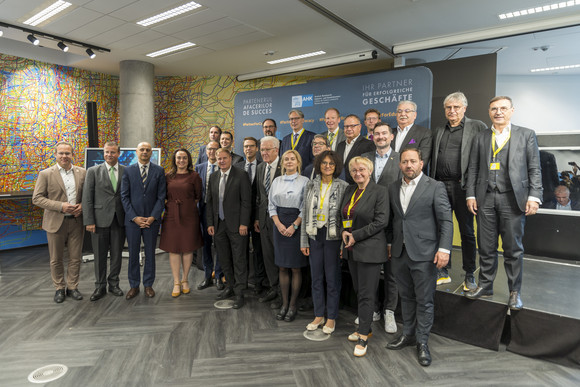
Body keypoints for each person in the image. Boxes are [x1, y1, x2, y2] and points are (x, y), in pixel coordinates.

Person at [465, 96, 543, 310]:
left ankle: (514, 292)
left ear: (512, 110)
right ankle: (485, 285)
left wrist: (534, 196)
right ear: (489, 112)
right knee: (486, 246)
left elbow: (534, 168)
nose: (498, 112)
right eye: (493, 109)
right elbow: (473, 168)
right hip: (485, 198)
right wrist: (470, 195)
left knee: (513, 249)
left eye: (502, 108)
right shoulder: (481, 137)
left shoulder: (526, 135)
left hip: (513, 198)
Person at [386, 148, 453, 367]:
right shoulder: (393, 187)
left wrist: (444, 249)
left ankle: (423, 342)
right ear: (400, 165)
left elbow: (446, 221)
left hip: (425, 254)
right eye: (405, 161)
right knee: (406, 297)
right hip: (399, 253)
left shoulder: (435, 187)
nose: (409, 165)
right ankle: (409, 334)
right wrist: (389, 244)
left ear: (421, 164)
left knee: (424, 300)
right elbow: (394, 220)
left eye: (413, 161)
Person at [430, 91, 487, 289]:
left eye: (456, 107)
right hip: (440, 186)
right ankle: (442, 269)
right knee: (440, 228)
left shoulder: (477, 126)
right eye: (448, 107)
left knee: (467, 231)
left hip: (464, 187)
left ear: (464, 108)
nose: (452, 111)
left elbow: (484, 157)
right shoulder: (439, 130)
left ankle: (470, 272)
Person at [341, 156, 389, 357]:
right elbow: (344, 215)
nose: (357, 173)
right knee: (359, 292)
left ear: (370, 171)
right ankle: (366, 328)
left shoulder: (380, 192)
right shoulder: (350, 189)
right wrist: (344, 232)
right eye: (354, 170)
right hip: (351, 249)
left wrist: (355, 235)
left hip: (370, 250)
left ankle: (362, 336)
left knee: (367, 295)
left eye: (362, 169)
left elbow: (381, 221)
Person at [300, 150, 348, 334]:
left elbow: (345, 217)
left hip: (333, 238)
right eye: (324, 163)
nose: (327, 166)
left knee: (332, 279)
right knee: (316, 278)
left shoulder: (343, 186)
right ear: (319, 165)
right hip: (314, 236)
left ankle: (331, 317)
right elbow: (305, 214)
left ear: (336, 167)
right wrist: (304, 241)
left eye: (331, 164)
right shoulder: (310, 185)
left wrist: (344, 244)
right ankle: (319, 314)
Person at [32, 141, 86, 303]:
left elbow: (87, 196)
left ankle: (72, 287)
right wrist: (60, 206)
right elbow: (37, 198)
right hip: (55, 222)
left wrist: (82, 206)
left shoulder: (82, 172)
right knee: (56, 259)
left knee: (75, 258)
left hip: (76, 222)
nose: (64, 156)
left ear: (72, 155)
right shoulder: (46, 174)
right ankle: (59, 288)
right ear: (55, 155)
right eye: (61, 153)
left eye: (67, 153)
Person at [361, 122, 401, 333]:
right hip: (369, 225)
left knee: (392, 272)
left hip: (392, 224)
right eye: (377, 134)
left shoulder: (400, 159)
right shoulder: (365, 158)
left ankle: (389, 312)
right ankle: (373, 309)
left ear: (391, 136)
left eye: (384, 133)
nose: (381, 137)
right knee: (371, 271)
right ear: (372, 137)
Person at [206, 148, 252, 309]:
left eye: (224, 158)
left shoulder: (241, 175)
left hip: (237, 225)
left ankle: (240, 293)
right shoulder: (213, 177)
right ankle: (231, 286)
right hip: (219, 226)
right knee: (224, 259)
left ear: (230, 158)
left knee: (239, 259)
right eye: (219, 159)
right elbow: (210, 202)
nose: (221, 161)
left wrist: (244, 223)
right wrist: (210, 223)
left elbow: (247, 202)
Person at [121, 142, 166, 299]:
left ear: (151, 152)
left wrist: (153, 217)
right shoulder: (128, 171)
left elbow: (161, 197)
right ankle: (134, 286)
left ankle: (148, 285)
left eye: (148, 150)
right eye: (142, 149)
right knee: (133, 254)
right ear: (136, 152)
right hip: (133, 221)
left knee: (150, 254)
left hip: (151, 221)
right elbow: (124, 197)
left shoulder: (159, 171)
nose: (145, 152)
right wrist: (135, 217)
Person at [269, 150, 310, 322]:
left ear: (298, 162)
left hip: (297, 226)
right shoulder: (276, 181)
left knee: (295, 267)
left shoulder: (305, 181)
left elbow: (305, 207)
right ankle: (284, 304)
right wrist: (279, 225)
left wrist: (294, 226)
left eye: (293, 159)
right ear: (282, 163)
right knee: (282, 267)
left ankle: (293, 305)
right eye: (286, 159)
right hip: (279, 225)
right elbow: (271, 205)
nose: (289, 161)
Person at [82, 141, 125, 301]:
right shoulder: (93, 171)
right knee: (99, 255)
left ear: (118, 154)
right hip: (98, 221)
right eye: (107, 152)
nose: (109, 155)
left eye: (113, 152)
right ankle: (100, 286)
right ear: (103, 153)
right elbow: (87, 198)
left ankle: (114, 284)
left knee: (116, 255)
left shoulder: (125, 171)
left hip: (119, 220)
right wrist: (89, 221)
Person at [160, 149, 203, 297]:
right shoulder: (168, 176)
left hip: (189, 215)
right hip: (171, 214)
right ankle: (176, 282)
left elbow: (198, 196)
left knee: (187, 248)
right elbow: (163, 195)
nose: (181, 160)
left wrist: (186, 206)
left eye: (184, 158)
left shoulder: (195, 176)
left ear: (188, 160)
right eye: (179, 158)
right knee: (174, 248)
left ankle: (185, 280)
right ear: (175, 159)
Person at [255, 136, 283, 307]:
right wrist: (258, 218)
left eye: (267, 149)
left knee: (281, 258)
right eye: (262, 149)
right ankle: (273, 288)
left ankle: (283, 293)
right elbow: (259, 196)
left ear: (276, 150)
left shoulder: (286, 166)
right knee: (268, 257)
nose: (264, 153)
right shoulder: (260, 167)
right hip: (264, 221)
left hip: (281, 221)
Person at [235, 137, 265, 295]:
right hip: (240, 216)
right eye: (246, 146)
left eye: (252, 146)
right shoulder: (237, 166)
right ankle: (242, 281)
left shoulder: (263, 166)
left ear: (257, 148)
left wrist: (258, 217)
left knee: (258, 250)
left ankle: (259, 282)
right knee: (241, 250)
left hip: (258, 216)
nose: (248, 149)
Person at [195, 141, 224, 290]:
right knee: (205, 244)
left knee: (219, 243)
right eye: (209, 149)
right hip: (204, 210)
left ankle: (218, 275)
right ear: (205, 152)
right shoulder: (198, 168)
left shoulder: (223, 167)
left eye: (214, 149)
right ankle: (207, 276)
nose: (212, 151)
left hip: (220, 211)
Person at [393, 100, 432, 172]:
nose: (402, 114)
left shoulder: (424, 133)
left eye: (407, 111)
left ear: (415, 115)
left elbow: (423, 160)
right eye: (399, 111)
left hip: (411, 176)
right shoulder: (390, 133)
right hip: (389, 176)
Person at [336, 114, 375, 184]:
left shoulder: (369, 144)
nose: (349, 129)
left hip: (358, 186)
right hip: (340, 186)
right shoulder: (340, 145)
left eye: (352, 126)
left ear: (359, 127)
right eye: (346, 126)